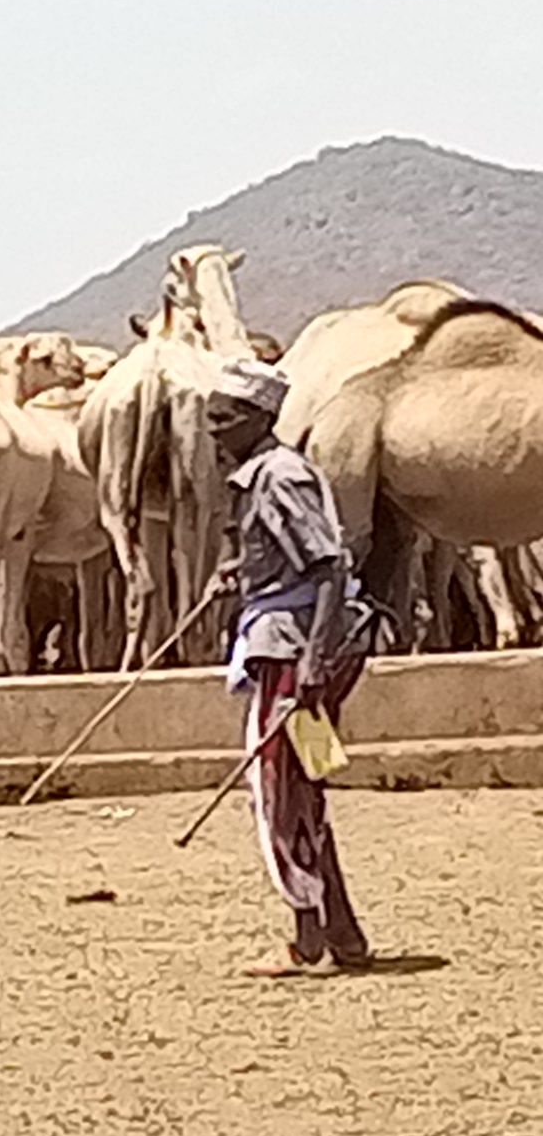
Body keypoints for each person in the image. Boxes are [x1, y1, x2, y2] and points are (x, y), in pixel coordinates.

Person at [206, 360, 374, 975]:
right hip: (283, 638)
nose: (212, 431)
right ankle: (342, 935)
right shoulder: (263, 477)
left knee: (281, 793)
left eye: (222, 419)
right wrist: (244, 576)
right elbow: (298, 563)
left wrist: (311, 659)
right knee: (301, 787)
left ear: (258, 419)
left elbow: (328, 566)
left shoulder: (279, 476)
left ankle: (309, 941)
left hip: (291, 649)